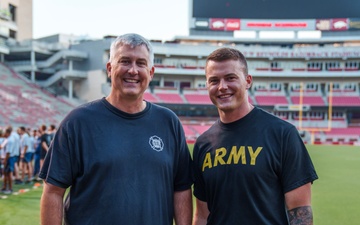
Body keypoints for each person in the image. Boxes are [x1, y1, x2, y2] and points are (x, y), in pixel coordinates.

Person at [39, 33, 193, 225]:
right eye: (125, 61)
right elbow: (53, 191)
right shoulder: (78, 122)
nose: (133, 70)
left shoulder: (168, 122)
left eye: (141, 63)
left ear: (151, 72)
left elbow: (182, 189)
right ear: (110, 69)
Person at [192, 47, 318, 225]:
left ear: (248, 80)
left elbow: (300, 213)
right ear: (207, 85)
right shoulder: (203, 144)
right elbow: (202, 216)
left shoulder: (282, 134)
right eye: (214, 80)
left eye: (230, 78)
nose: (222, 87)